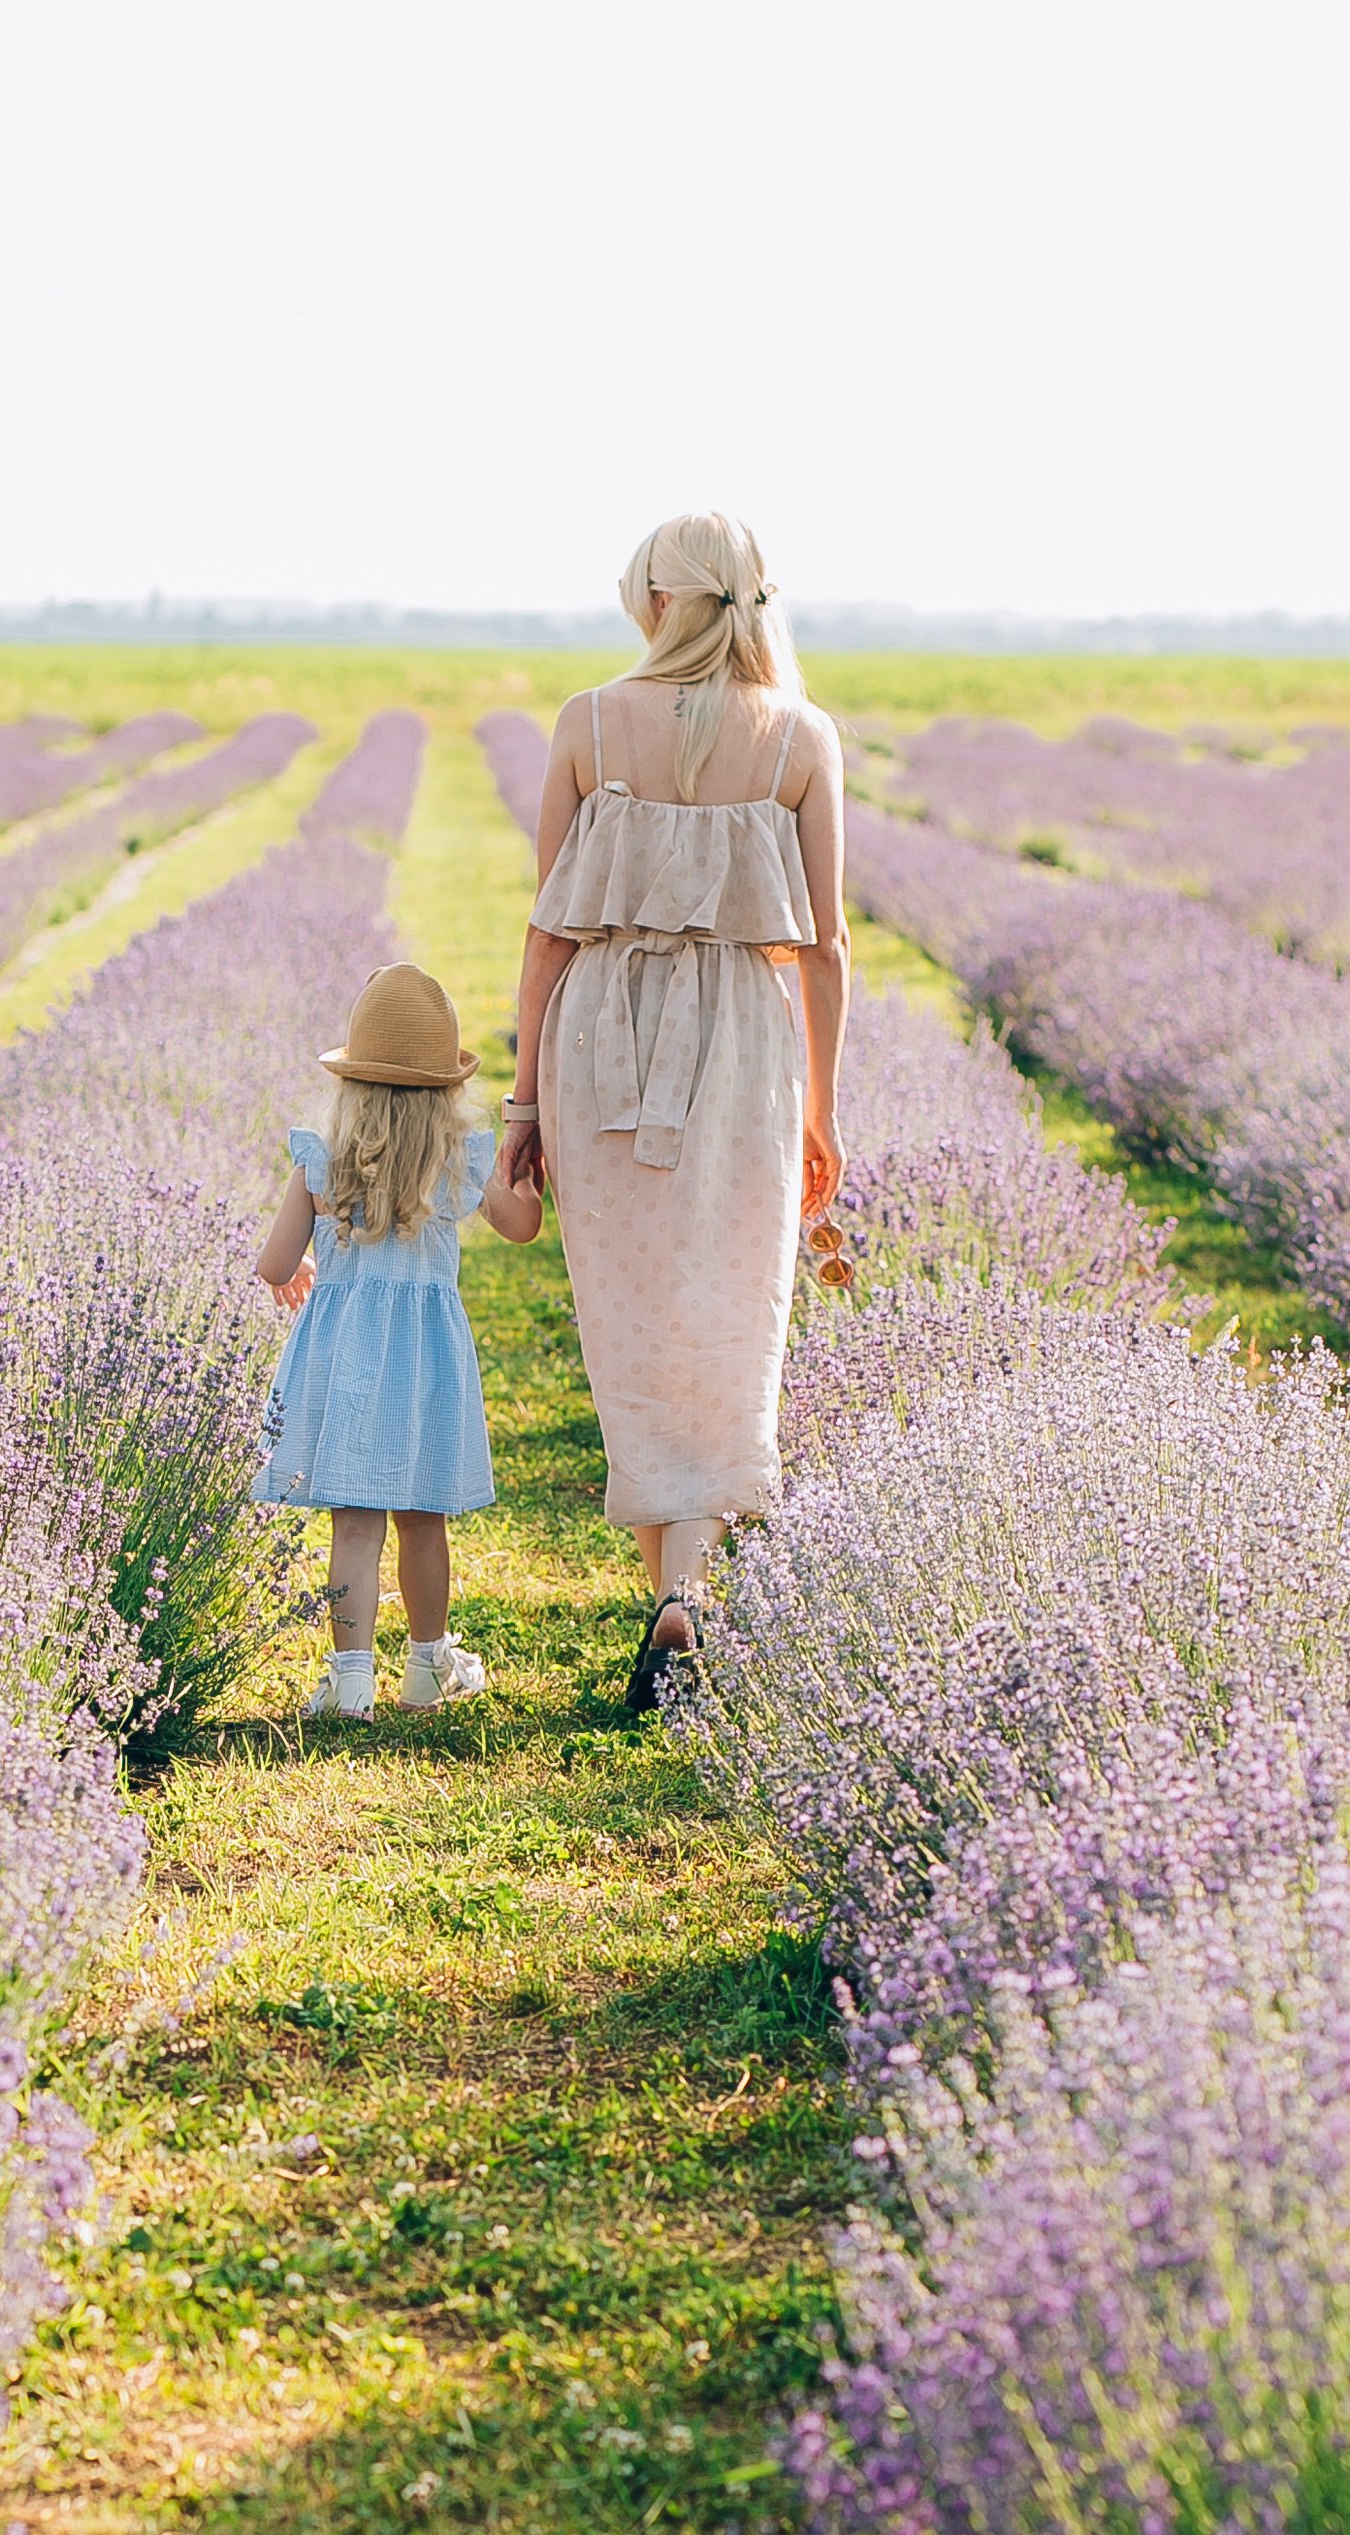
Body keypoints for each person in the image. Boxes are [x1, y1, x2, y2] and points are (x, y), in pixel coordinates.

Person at [498, 514, 849, 1712]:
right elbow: (827, 949)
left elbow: (549, 929)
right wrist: (823, 1113)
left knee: (631, 1322)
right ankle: (684, 1596)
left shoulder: (589, 722)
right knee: (730, 1314)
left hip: (601, 1033)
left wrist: (521, 1098)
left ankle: (676, 1597)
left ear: (655, 599)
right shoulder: (802, 736)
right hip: (747, 1046)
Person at [252, 962, 543, 1721]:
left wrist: (308, 1263)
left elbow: (274, 1266)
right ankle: (426, 1665)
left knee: (353, 1522)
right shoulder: (458, 1156)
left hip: (346, 1357)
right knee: (422, 1517)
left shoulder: (322, 1157)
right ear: (448, 1086)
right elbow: (521, 1228)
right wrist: (534, 1170)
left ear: (354, 1078)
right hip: (425, 1362)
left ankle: (350, 1682)